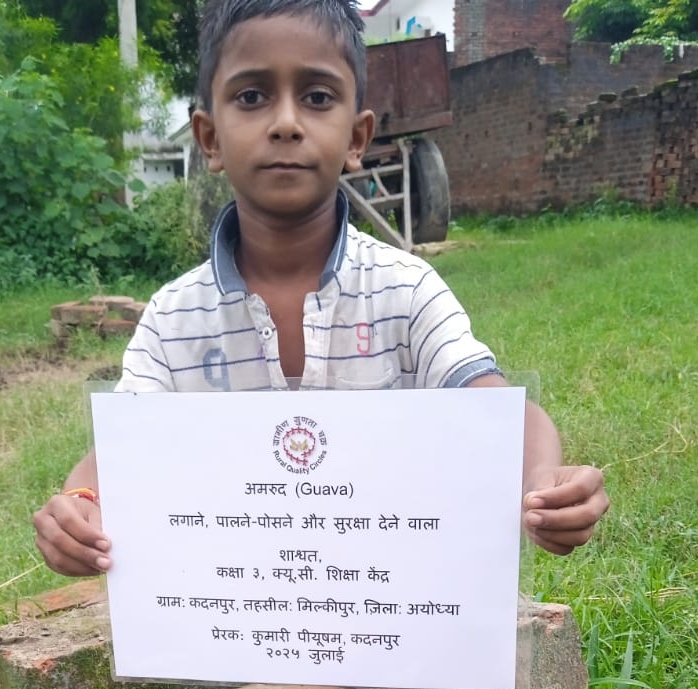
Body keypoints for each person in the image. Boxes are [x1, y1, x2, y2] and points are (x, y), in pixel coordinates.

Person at [33, 0, 609, 576]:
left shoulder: (407, 294)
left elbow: (503, 414)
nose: (286, 122)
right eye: (251, 96)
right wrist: (80, 505)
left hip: (383, 600)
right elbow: (120, 452)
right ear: (209, 139)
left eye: (317, 97)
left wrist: (541, 479)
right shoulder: (172, 320)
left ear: (357, 138)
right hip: (232, 602)